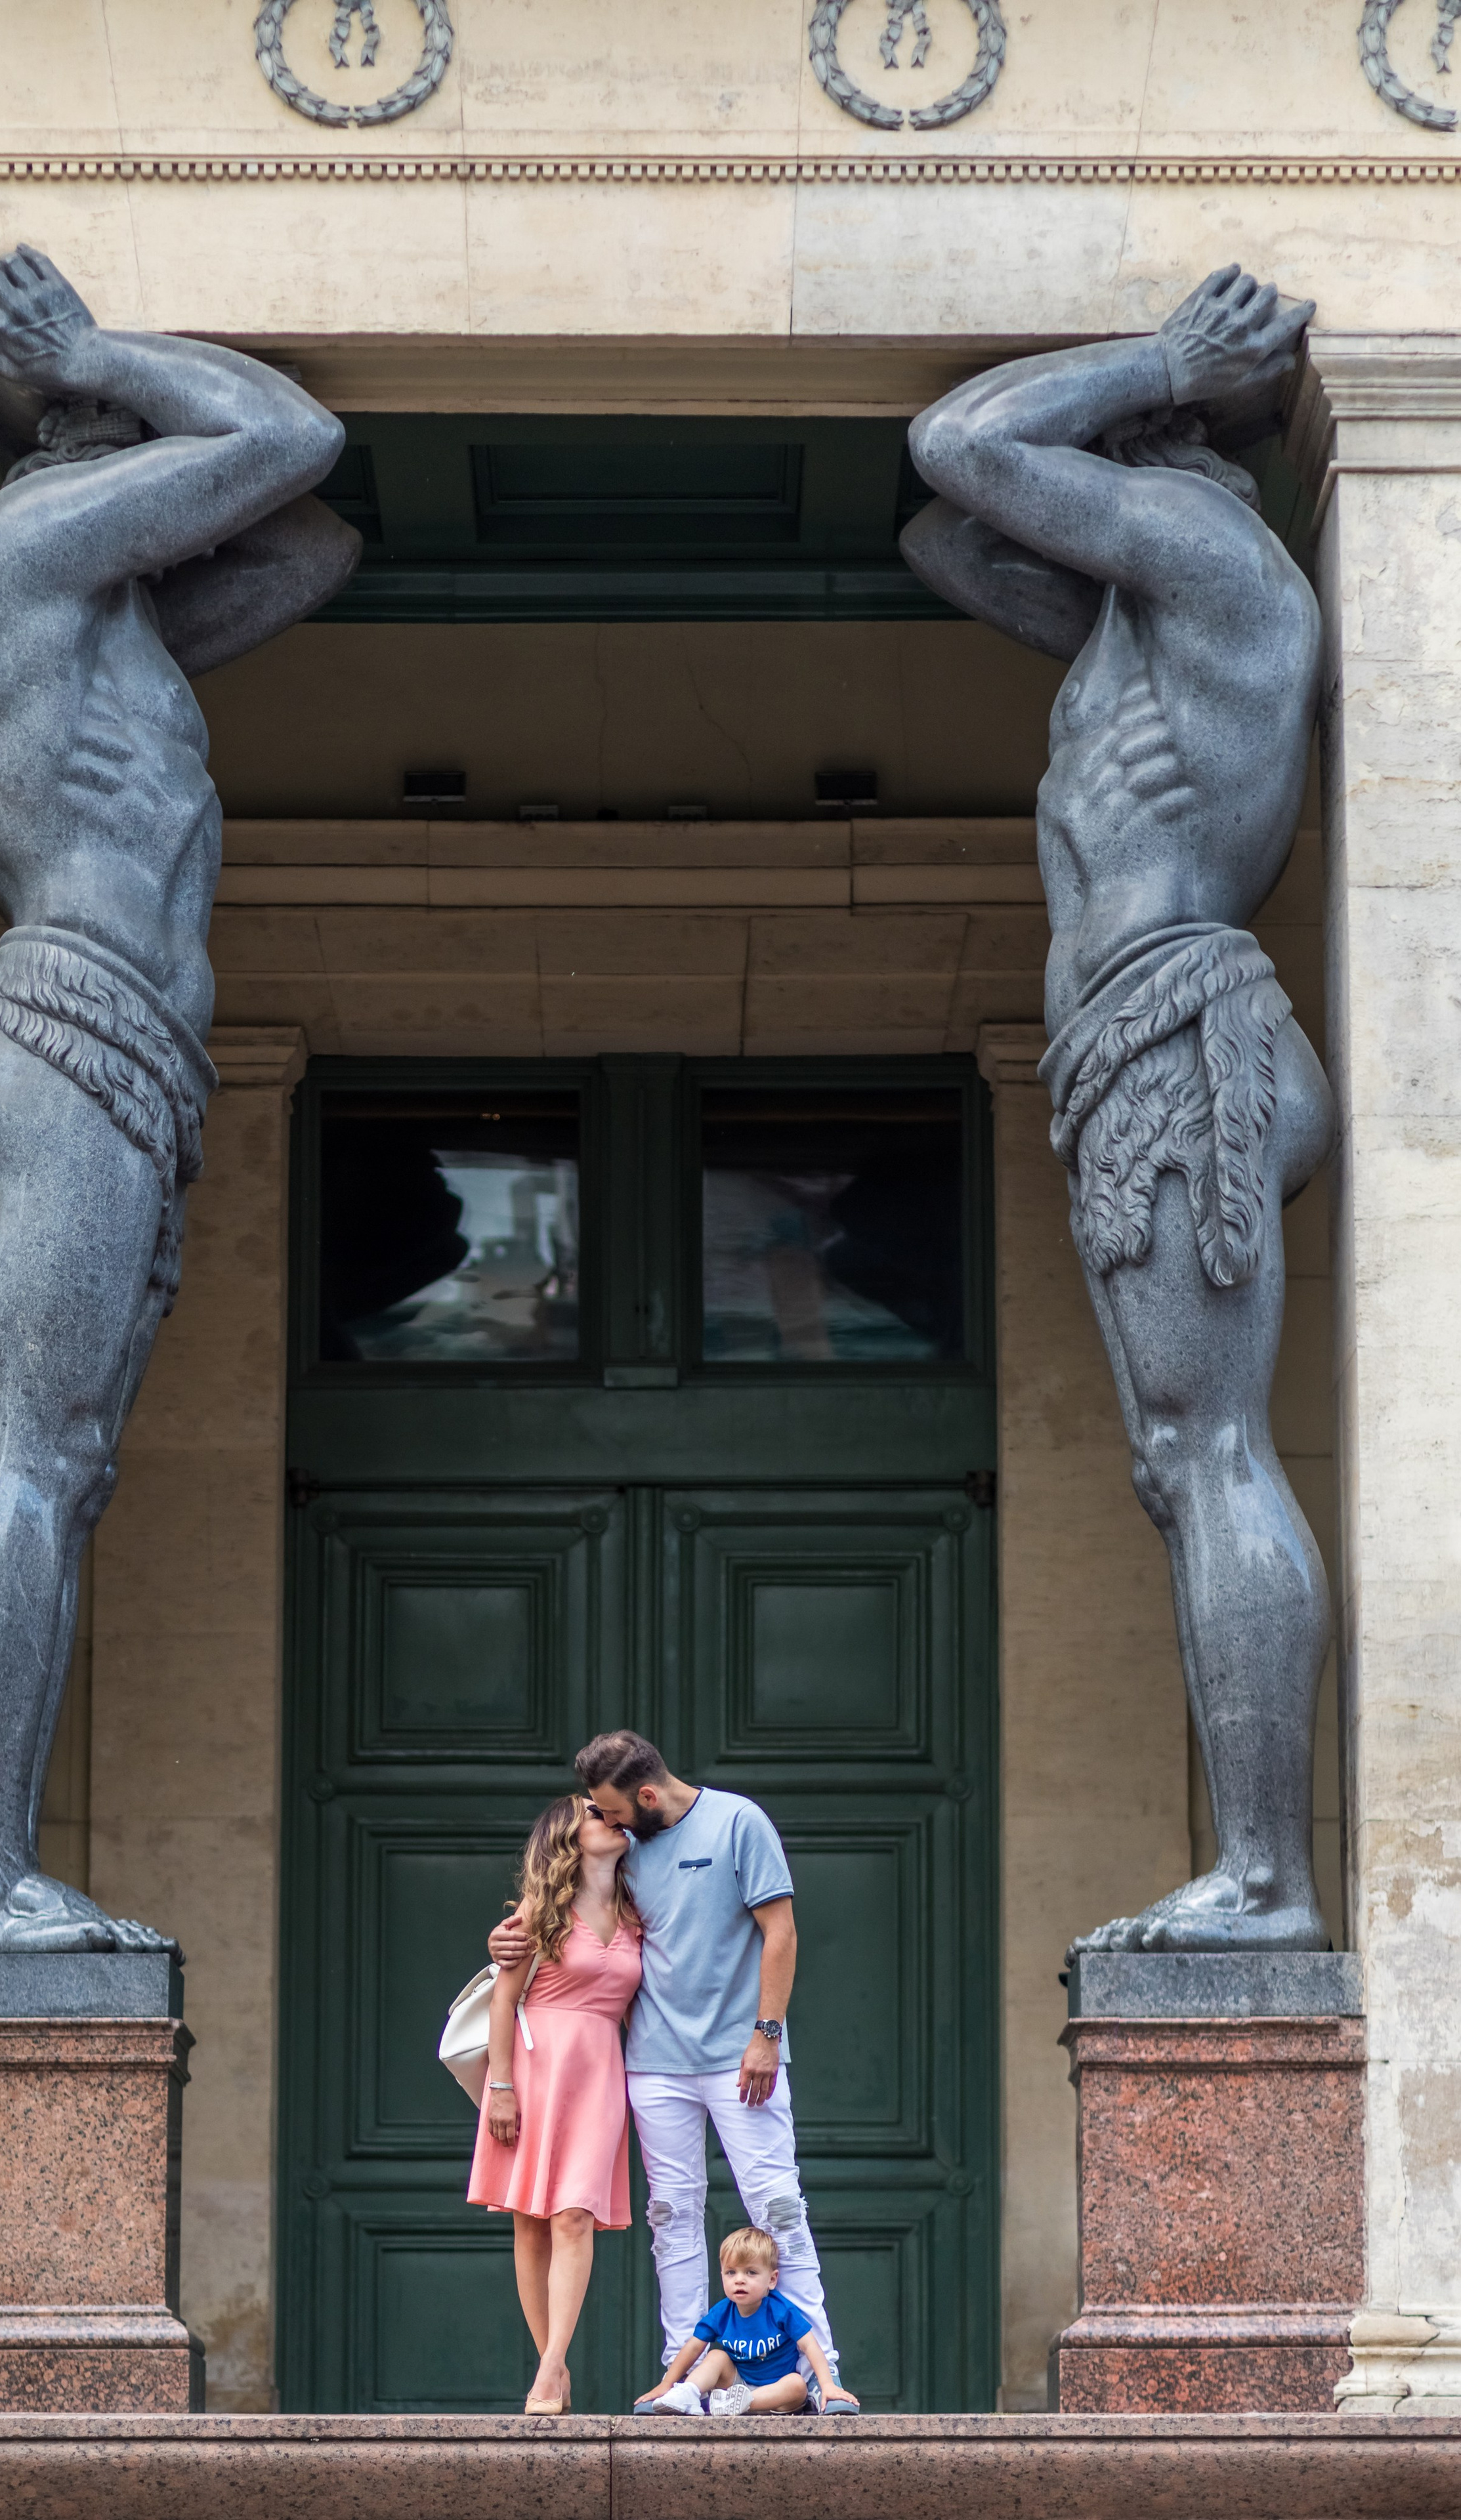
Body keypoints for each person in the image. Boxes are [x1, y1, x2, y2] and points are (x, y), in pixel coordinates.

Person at [0, 247, 356, 1953]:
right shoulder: (25, 549)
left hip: (118, 1057)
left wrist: (135, 421)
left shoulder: (105, 623)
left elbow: (310, 546)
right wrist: (98, 347)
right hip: (67, 1035)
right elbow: (287, 434)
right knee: (37, 1457)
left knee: (65, 1464)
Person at [900, 266, 1334, 1960]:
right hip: (1135, 1042)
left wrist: (1166, 361)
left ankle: (1268, 1879)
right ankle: (1256, 1865)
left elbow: (962, 445)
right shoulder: (1136, 632)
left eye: (1126, 439)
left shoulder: (1222, 565)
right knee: (1183, 1460)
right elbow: (957, 539)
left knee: (1206, 1451)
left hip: (1178, 1032)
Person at [490, 1730, 860, 2411]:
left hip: (741, 2058)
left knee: (777, 2206)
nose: (604, 1823)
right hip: (653, 2066)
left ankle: (820, 2373)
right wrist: (507, 1938)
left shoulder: (739, 1823)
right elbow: (563, 1901)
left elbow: (781, 1932)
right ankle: (682, 2378)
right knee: (672, 2217)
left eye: (611, 1810)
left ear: (648, 1796)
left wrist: (766, 2035)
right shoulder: (623, 1849)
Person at [468, 1795, 641, 2414]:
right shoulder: (539, 1915)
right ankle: (554, 2369)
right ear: (570, 1835)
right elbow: (500, 2004)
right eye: (597, 1813)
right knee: (530, 2221)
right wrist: (502, 2088)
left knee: (574, 2216)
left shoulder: (635, 1912)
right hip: (534, 2074)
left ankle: (548, 2368)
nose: (613, 1818)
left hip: (599, 2075)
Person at [644, 2226, 842, 2416]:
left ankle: (737, 2404)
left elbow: (810, 2345)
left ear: (772, 2280)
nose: (739, 2280)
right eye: (731, 2272)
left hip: (777, 2395)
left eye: (751, 2273)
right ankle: (688, 2393)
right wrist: (667, 2384)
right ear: (722, 2276)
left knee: (797, 2384)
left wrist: (827, 2386)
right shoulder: (722, 2313)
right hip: (737, 2386)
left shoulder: (780, 2311)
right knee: (716, 2357)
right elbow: (693, 2348)